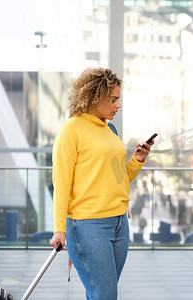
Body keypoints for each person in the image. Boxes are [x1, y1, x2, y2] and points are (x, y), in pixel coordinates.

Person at [50, 67, 154, 300]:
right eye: (113, 99)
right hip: (88, 226)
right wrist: (59, 228)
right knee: (104, 295)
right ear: (94, 97)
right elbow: (62, 183)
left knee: (100, 294)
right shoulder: (71, 130)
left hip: (119, 224)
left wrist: (137, 160)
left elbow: (119, 177)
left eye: (119, 99)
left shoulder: (110, 129)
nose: (118, 105)